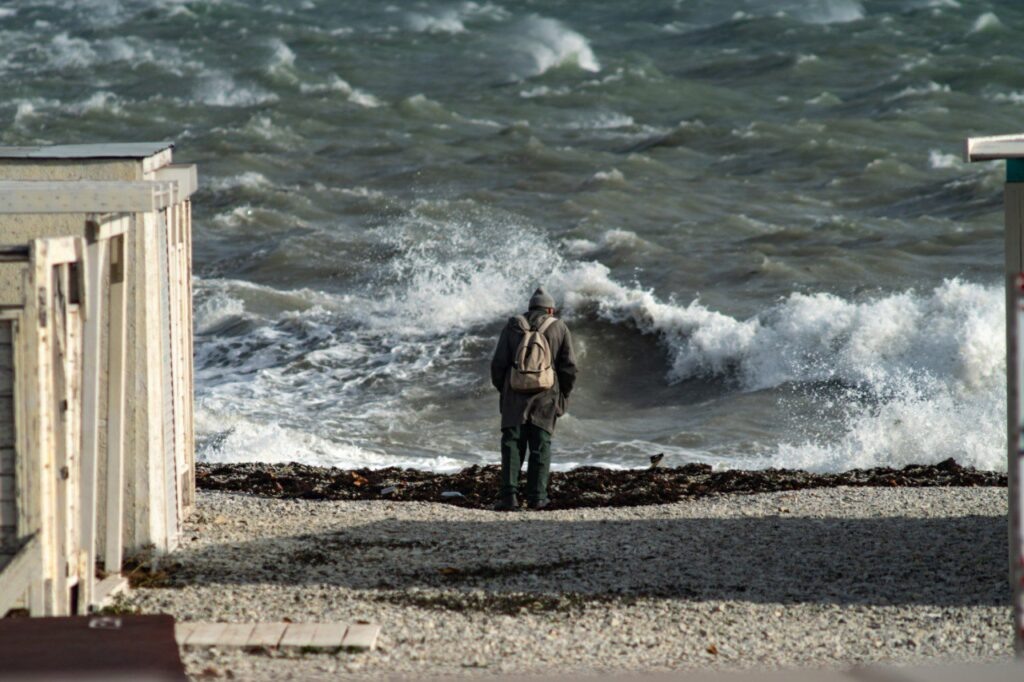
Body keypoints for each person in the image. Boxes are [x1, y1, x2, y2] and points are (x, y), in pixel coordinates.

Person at [489, 287, 577, 510]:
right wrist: (563, 395)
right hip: (546, 394)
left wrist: (505, 390)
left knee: (512, 444)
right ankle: (538, 498)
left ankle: (509, 498)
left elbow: (498, 365)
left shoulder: (512, 325)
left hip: (514, 394)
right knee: (540, 444)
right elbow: (569, 368)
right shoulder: (558, 327)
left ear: (529, 308)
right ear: (550, 309)